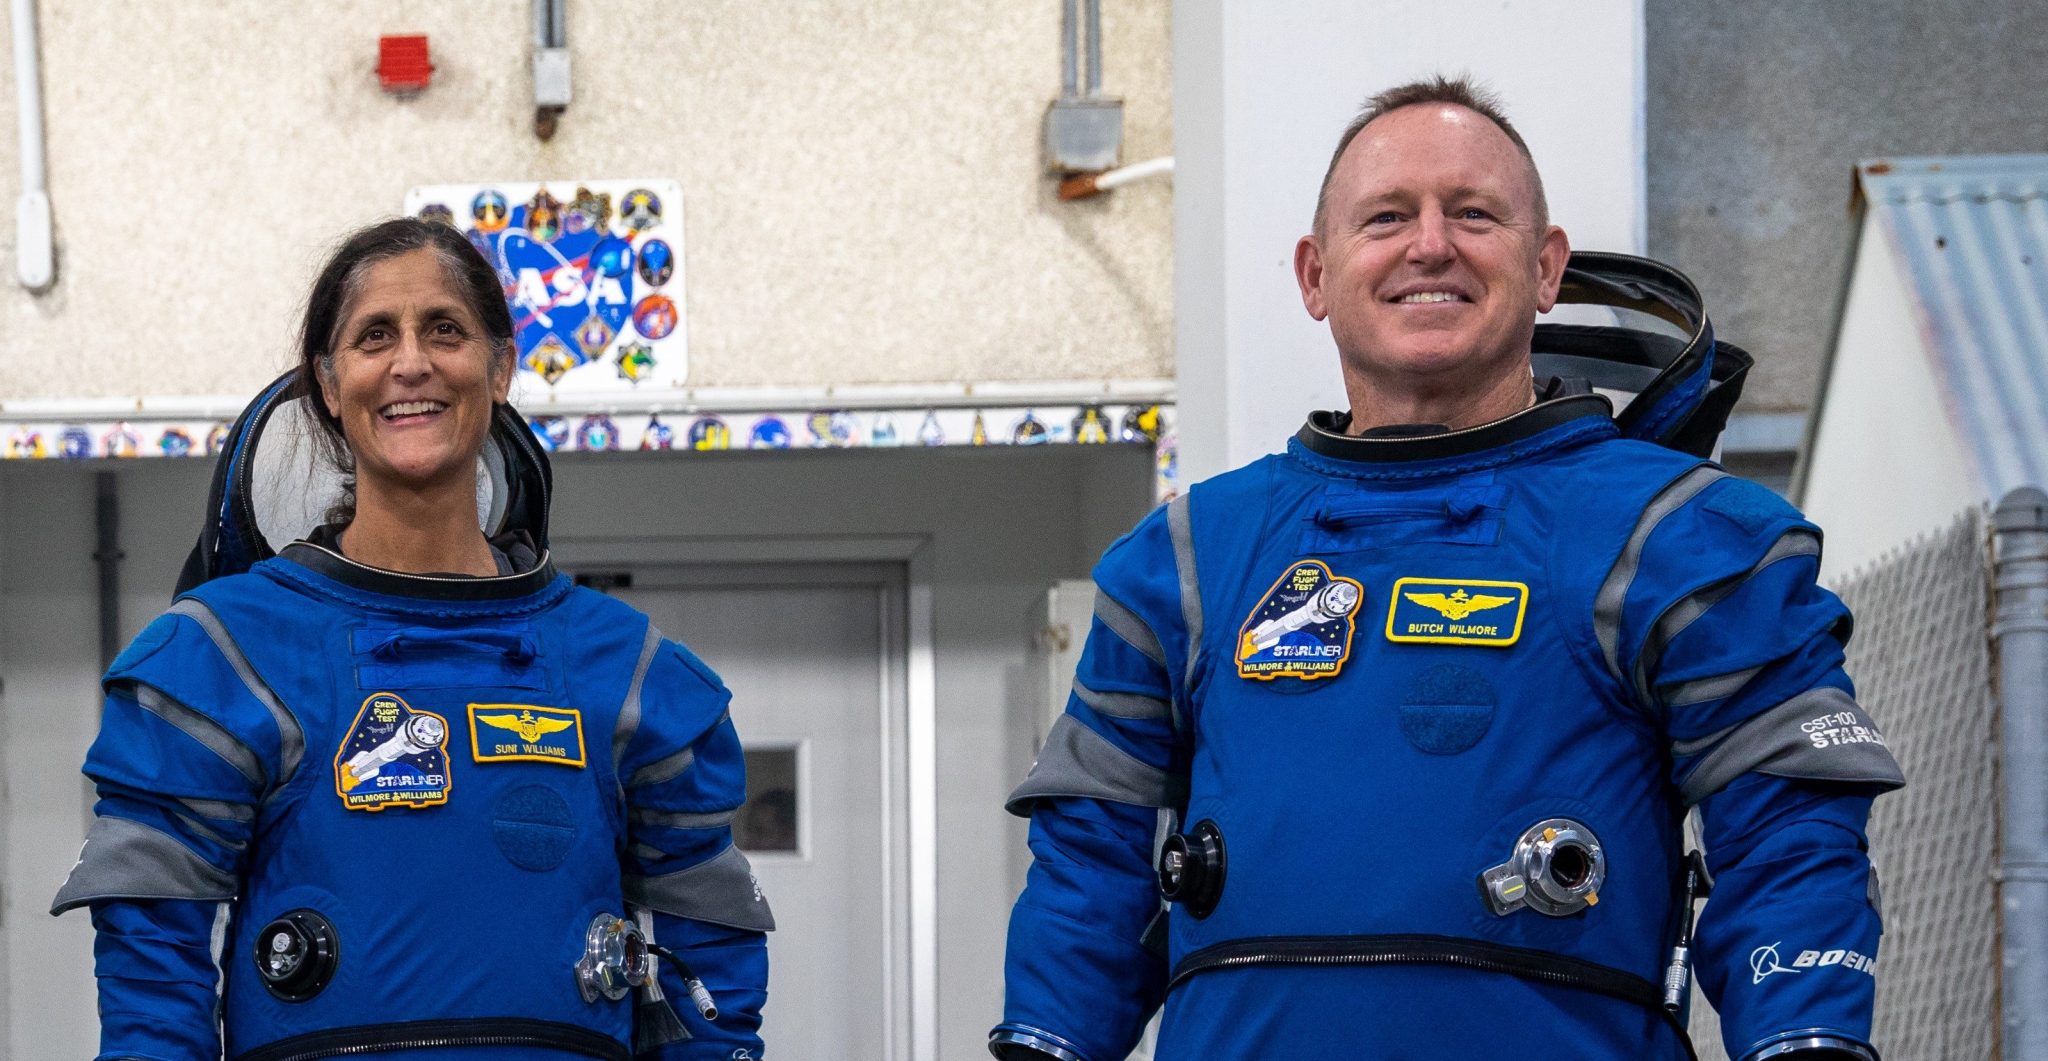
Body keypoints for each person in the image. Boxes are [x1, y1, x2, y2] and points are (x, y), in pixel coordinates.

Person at [989, 77, 1903, 1061]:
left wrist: (1802, 1038)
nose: (1430, 243)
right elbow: (1090, 864)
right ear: (1313, 273)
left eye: (1472, 213)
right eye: (1386, 217)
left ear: (1545, 267)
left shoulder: (1682, 536)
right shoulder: (1186, 559)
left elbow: (1787, 841)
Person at [52, 218, 773, 1061]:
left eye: (445, 329)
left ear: (500, 365)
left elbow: (712, 987)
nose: (411, 363)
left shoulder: (632, 674)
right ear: (327, 381)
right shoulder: (225, 659)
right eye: (373, 336)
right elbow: (153, 988)